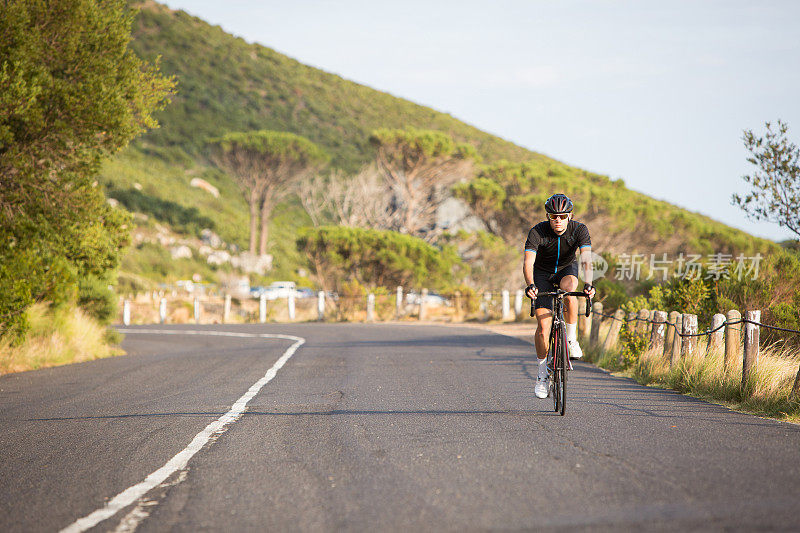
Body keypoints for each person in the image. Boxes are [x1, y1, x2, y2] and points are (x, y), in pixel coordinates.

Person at [522, 193, 596, 399]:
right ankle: (542, 373)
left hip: (566, 269)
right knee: (543, 327)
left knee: (570, 290)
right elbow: (528, 263)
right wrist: (531, 285)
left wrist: (589, 283)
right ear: (548, 216)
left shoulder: (579, 230)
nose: (558, 221)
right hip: (542, 274)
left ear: (570, 215)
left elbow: (586, 260)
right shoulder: (537, 232)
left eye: (562, 216)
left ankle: (571, 339)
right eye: (554, 216)